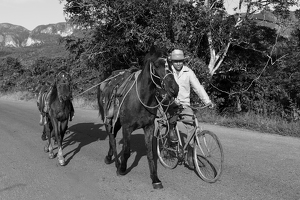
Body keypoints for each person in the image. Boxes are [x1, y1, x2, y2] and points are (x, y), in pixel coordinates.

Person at [168, 49, 214, 169]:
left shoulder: (188, 72)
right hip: (170, 105)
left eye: (180, 61)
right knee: (170, 122)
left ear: (183, 61)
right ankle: (170, 133)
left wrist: (207, 101)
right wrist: (171, 100)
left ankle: (189, 154)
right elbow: (162, 88)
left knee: (192, 128)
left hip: (184, 106)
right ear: (172, 61)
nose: (178, 64)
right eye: (175, 61)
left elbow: (198, 87)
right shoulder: (167, 72)